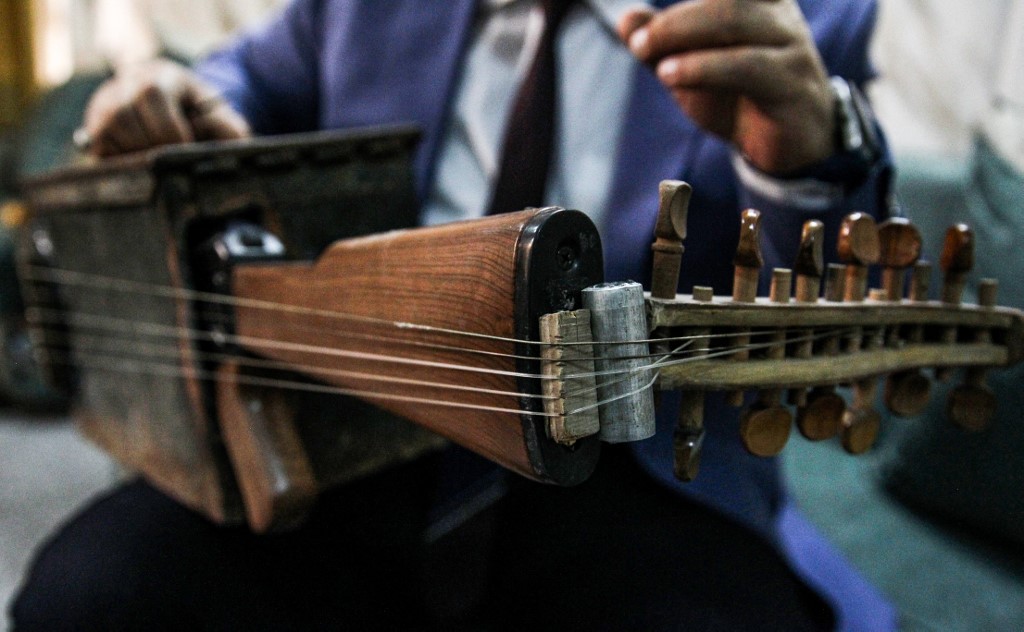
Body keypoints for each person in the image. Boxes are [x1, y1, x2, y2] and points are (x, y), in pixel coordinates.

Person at [12, 1, 897, 630]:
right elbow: (239, 76)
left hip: (643, 467)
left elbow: (838, 322)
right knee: (92, 596)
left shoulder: (804, 20)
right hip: (354, 425)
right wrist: (173, 95)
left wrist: (807, 160)